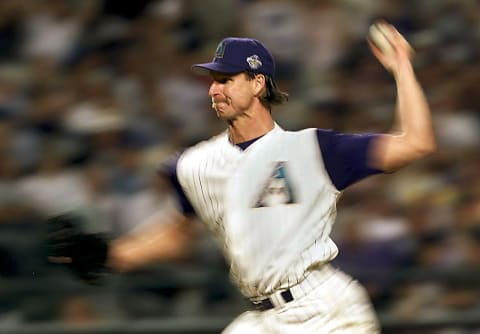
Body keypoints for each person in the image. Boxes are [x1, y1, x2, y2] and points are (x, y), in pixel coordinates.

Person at [107, 22, 436, 333]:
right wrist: (110, 255)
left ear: (257, 83)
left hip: (325, 311)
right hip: (263, 318)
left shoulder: (314, 149)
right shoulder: (196, 164)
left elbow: (416, 142)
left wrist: (401, 67)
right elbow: (176, 235)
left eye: (226, 79)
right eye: (213, 79)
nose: (213, 89)